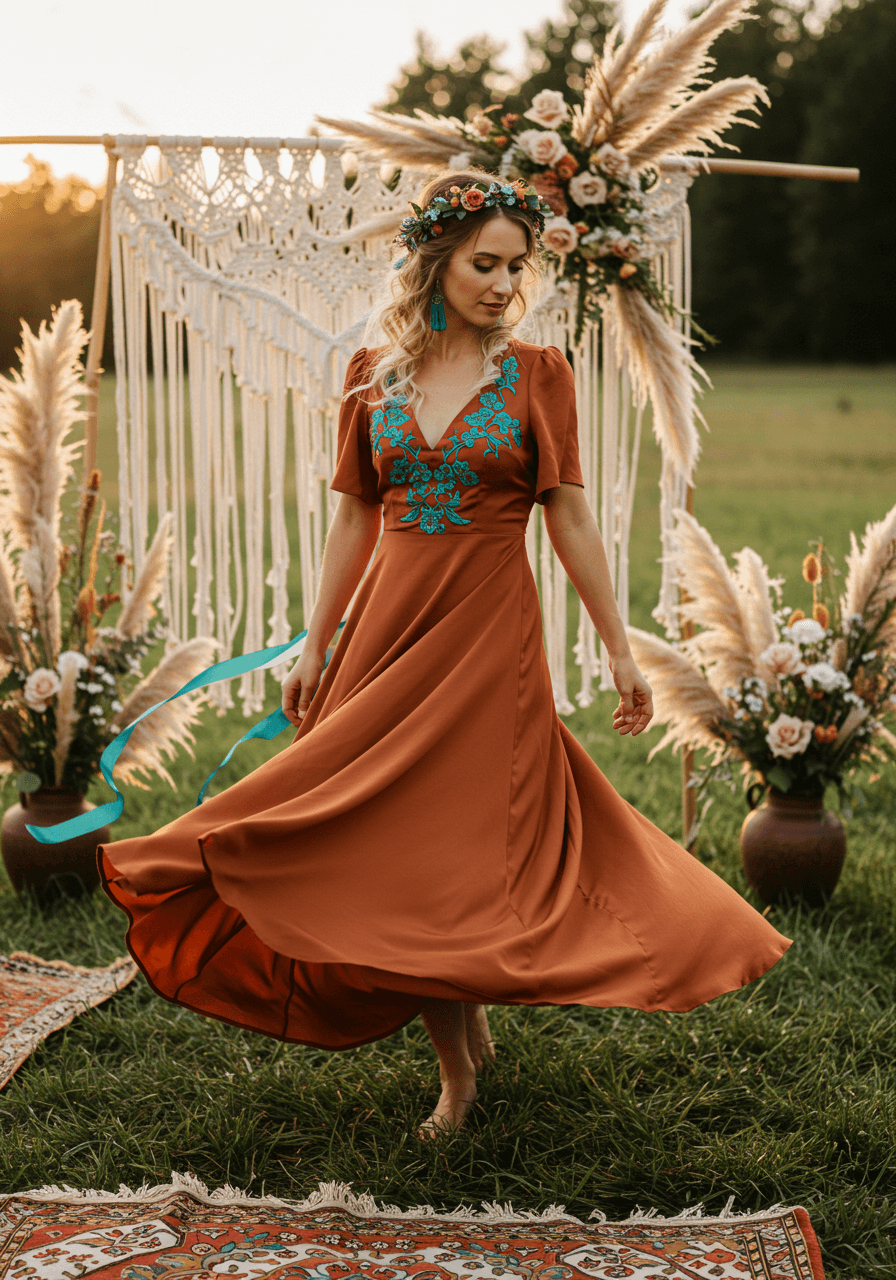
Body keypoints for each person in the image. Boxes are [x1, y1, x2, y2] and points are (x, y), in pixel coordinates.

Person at [98, 170, 790, 1138]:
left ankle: (459, 1074)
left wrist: (617, 648)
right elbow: (353, 514)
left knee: (452, 848)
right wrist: (317, 637)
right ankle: (461, 1045)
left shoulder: (539, 375)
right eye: (483, 262)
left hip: (484, 640)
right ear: (434, 261)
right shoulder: (370, 374)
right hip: (384, 632)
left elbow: (572, 517)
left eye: (517, 265)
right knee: (390, 842)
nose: (504, 283)